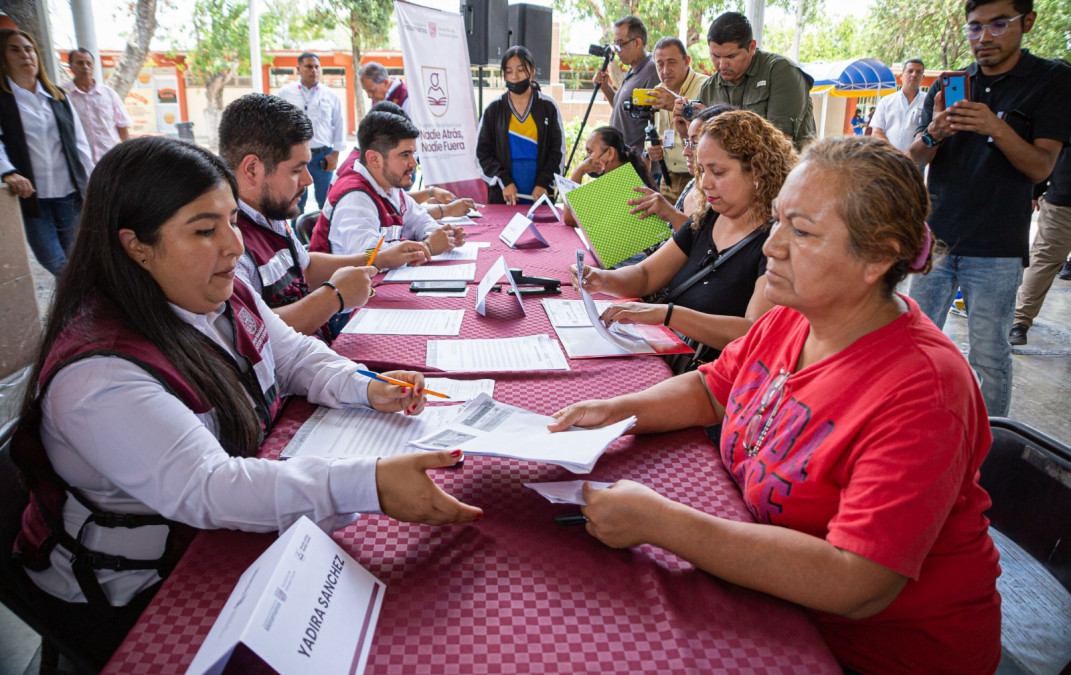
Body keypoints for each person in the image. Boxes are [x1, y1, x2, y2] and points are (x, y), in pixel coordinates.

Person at [9, 136, 481, 668]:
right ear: (136, 245)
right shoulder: (101, 374)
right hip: (143, 591)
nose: (234, 245)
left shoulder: (218, 290)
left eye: (232, 220)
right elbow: (210, 487)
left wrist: (367, 386)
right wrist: (369, 482)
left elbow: (293, 355)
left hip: (215, 532)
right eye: (205, 230)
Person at [551, 136, 1001, 674]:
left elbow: (857, 582)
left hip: (869, 652)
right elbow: (712, 387)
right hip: (773, 606)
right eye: (779, 221)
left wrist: (664, 523)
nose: (771, 246)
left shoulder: (924, 392)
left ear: (877, 257)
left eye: (802, 231)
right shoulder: (797, 314)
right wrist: (616, 410)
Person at [908, 0, 1071, 416]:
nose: (985, 37)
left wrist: (995, 127)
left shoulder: (1050, 81)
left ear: (1027, 22)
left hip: (997, 246)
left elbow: (1040, 166)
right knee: (913, 346)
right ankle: (916, 428)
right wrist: (934, 132)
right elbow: (912, 160)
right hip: (937, 239)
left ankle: (991, 450)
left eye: (999, 24)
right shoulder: (950, 83)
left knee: (989, 356)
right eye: (974, 27)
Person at [571, 111, 794, 368]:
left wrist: (667, 315)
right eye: (701, 170)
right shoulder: (708, 218)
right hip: (666, 356)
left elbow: (753, 333)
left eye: (718, 172)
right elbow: (646, 275)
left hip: (708, 374)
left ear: (756, 171)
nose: (705, 183)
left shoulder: (775, 243)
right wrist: (602, 280)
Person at [218, 93, 430, 342]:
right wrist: (333, 297)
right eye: (297, 170)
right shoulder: (226, 240)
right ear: (253, 169)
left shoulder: (269, 214)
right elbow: (253, 333)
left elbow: (305, 267)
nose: (308, 180)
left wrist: (377, 258)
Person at [308, 111, 468, 259]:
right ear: (374, 159)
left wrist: (443, 236)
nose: (413, 163)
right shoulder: (355, 197)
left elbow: (420, 220)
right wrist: (427, 247)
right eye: (405, 155)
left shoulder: (388, 185)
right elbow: (368, 256)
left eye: (413, 154)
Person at [0, 29, 93, 276]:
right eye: (15, 49)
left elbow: (80, 144)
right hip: (34, 198)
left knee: (77, 262)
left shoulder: (57, 96)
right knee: (56, 262)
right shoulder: (4, 100)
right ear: (3, 56)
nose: (25, 55)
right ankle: (80, 311)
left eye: (29, 49)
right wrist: (8, 172)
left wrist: (92, 183)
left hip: (69, 193)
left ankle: (79, 312)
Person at [676, 12, 815, 150]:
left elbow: (778, 143)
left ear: (752, 47)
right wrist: (687, 129)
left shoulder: (781, 72)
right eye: (715, 55)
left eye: (731, 56)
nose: (722, 65)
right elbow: (699, 151)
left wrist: (716, 123)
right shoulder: (709, 88)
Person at [476, 45, 565, 206]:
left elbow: (557, 151)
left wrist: (543, 183)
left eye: (520, 70)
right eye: (509, 71)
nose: (515, 76)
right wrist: (504, 181)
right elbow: (482, 153)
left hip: (539, 197)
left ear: (532, 72)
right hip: (504, 198)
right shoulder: (493, 109)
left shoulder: (548, 106)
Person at [627, 104, 735, 233]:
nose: (685, 152)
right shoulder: (693, 183)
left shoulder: (720, 194)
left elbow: (703, 242)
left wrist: (671, 213)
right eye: (686, 142)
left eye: (695, 143)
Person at [1010, 145, 1071, 345]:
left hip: (1063, 192)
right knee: (1044, 261)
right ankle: (1018, 321)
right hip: (1063, 195)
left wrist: (1036, 190)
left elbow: (1051, 145)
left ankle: (1019, 321)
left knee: (1043, 262)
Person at [277, 52, 344, 212]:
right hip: (295, 157)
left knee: (326, 203)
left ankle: (324, 236)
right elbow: (278, 124)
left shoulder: (330, 95)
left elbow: (339, 124)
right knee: (295, 202)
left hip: (323, 157)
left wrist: (335, 154)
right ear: (298, 69)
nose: (313, 70)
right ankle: (294, 236)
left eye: (316, 67)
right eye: (308, 66)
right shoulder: (285, 93)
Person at [647, 37, 707, 204]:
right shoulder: (657, 91)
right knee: (668, 228)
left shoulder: (705, 86)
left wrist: (675, 103)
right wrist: (652, 148)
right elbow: (654, 129)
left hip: (699, 176)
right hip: (668, 177)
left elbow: (711, 131)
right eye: (660, 64)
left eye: (671, 62)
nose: (665, 70)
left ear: (687, 61)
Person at [563, 125, 656, 229]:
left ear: (610, 153)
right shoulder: (627, 175)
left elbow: (569, 218)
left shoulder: (618, 183)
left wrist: (578, 171)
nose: (587, 158)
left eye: (590, 152)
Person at [595, 15, 659, 151]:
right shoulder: (632, 70)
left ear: (637, 42)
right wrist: (605, 87)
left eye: (620, 43)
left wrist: (645, 159)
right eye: (615, 44)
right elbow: (623, 109)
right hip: (620, 157)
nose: (616, 50)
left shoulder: (652, 70)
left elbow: (657, 120)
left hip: (636, 163)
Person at [62, 48, 131, 163]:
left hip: (109, 160)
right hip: (79, 161)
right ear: (71, 67)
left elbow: (122, 127)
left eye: (89, 63)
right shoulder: (63, 95)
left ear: (93, 66)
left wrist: (128, 155)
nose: (85, 67)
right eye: (80, 63)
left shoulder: (109, 94)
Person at [869, 59, 926, 152]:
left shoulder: (929, 102)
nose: (914, 74)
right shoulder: (886, 101)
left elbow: (930, 133)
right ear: (901, 76)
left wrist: (911, 154)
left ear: (923, 78)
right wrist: (896, 154)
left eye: (918, 72)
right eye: (910, 71)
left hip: (916, 160)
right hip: (889, 158)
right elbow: (876, 132)